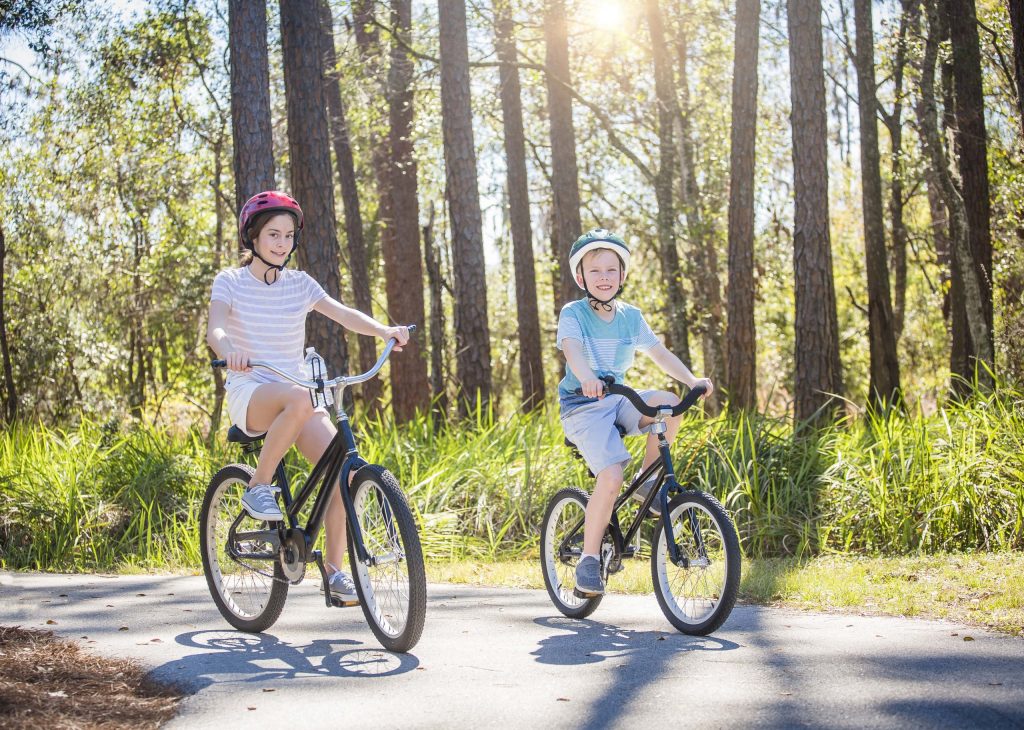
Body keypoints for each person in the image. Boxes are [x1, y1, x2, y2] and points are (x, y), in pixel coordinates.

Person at [207, 190, 409, 604]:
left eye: (288, 235)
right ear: (253, 237)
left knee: (344, 474)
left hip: (297, 396)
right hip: (252, 391)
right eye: (272, 235)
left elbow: (343, 313)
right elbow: (216, 329)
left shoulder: (299, 284)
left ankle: (334, 572)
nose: (282, 243)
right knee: (300, 397)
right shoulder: (230, 281)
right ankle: (258, 485)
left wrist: (384, 331)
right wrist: (229, 352)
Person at [556, 228, 713, 596]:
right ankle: (588, 560)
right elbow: (572, 350)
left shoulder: (630, 316)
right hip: (583, 406)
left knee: (668, 403)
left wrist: (692, 380)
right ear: (581, 277)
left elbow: (659, 353)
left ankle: (645, 480)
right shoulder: (574, 313)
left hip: (618, 398)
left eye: (612, 270)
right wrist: (588, 377)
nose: (604, 277)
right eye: (595, 271)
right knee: (611, 476)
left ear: (622, 275)